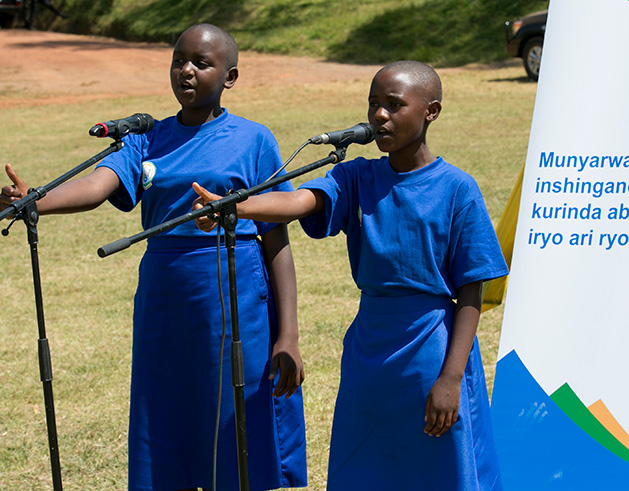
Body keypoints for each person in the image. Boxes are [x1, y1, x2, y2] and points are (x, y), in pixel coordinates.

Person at [0, 24, 307, 491]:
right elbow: (97, 187)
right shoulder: (145, 138)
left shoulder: (253, 140)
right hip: (164, 298)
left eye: (201, 63)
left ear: (230, 76)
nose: (186, 70)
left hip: (234, 295)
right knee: (163, 414)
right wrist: (36, 201)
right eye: (178, 60)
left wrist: (289, 335)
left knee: (232, 421)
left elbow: (276, 241)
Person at [193, 60, 508, 490]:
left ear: (430, 111)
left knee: (438, 467)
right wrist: (235, 207)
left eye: (394, 105)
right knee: (365, 466)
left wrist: (451, 378)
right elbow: (301, 201)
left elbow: (472, 290)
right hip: (370, 350)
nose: (379, 115)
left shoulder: (457, 188)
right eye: (373, 104)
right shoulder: (355, 175)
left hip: (431, 349)